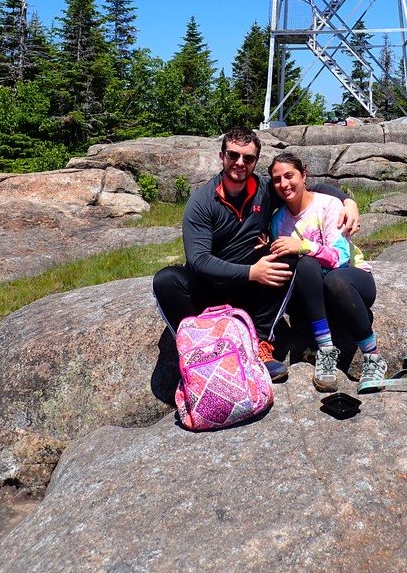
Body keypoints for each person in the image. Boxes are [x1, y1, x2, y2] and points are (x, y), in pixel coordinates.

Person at [152, 128, 359, 383]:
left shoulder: (264, 188)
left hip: (253, 291)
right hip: (210, 287)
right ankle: (202, 350)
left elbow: (307, 186)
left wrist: (349, 202)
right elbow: (199, 261)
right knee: (166, 279)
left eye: (248, 158)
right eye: (233, 155)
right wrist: (252, 272)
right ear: (222, 156)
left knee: (290, 253)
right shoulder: (202, 202)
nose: (240, 163)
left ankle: (261, 344)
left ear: (255, 162)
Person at [268, 153, 387, 394]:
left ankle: (373, 358)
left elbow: (341, 257)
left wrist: (303, 246)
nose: (284, 184)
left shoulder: (329, 204)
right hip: (312, 296)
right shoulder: (278, 220)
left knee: (333, 278)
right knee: (306, 265)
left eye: (289, 176)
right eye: (277, 179)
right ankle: (325, 350)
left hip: (350, 283)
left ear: (304, 175)